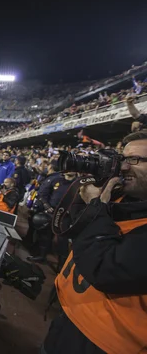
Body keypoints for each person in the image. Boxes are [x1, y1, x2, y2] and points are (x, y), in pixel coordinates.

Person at [42, 130, 147, 354]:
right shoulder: (120, 198)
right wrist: (86, 200)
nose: (125, 167)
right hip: (69, 319)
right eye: (124, 159)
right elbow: (75, 230)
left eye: (135, 160)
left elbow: (106, 269)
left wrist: (96, 207)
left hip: (106, 344)